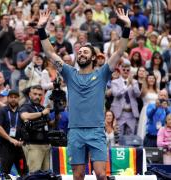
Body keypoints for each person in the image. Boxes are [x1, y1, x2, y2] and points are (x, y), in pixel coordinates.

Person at [37, 8, 131, 180]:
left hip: (96, 131)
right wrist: (41, 30)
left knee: (101, 175)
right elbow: (50, 53)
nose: (81, 54)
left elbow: (118, 52)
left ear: (93, 58)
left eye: (85, 52)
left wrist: (126, 28)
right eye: (79, 52)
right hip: (75, 132)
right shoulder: (69, 73)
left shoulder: (102, 73)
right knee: (78, 175)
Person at [0, 90, 28, 176]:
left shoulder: (22, 112)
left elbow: (26, 128)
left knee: (23, 172)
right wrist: (10, 139)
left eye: (15, 97)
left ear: (18, 99)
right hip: (5, 147)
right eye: (11, 97)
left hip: (19, 147)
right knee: (5, 173)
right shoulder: (2, 111)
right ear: (7, 98)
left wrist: (23, 141)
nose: (13, 99)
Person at [20, 85, 51, 173]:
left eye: (40, 95)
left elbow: (50, 124)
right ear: (30, 94)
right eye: (35, 94)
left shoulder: (42, 108)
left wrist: (57, 114)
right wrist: (42, 113)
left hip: (45, 144)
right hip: (33, 145)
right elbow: (24, 116)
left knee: (46, 175)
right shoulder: (26, 106)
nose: (37, 97)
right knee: (34, 174)